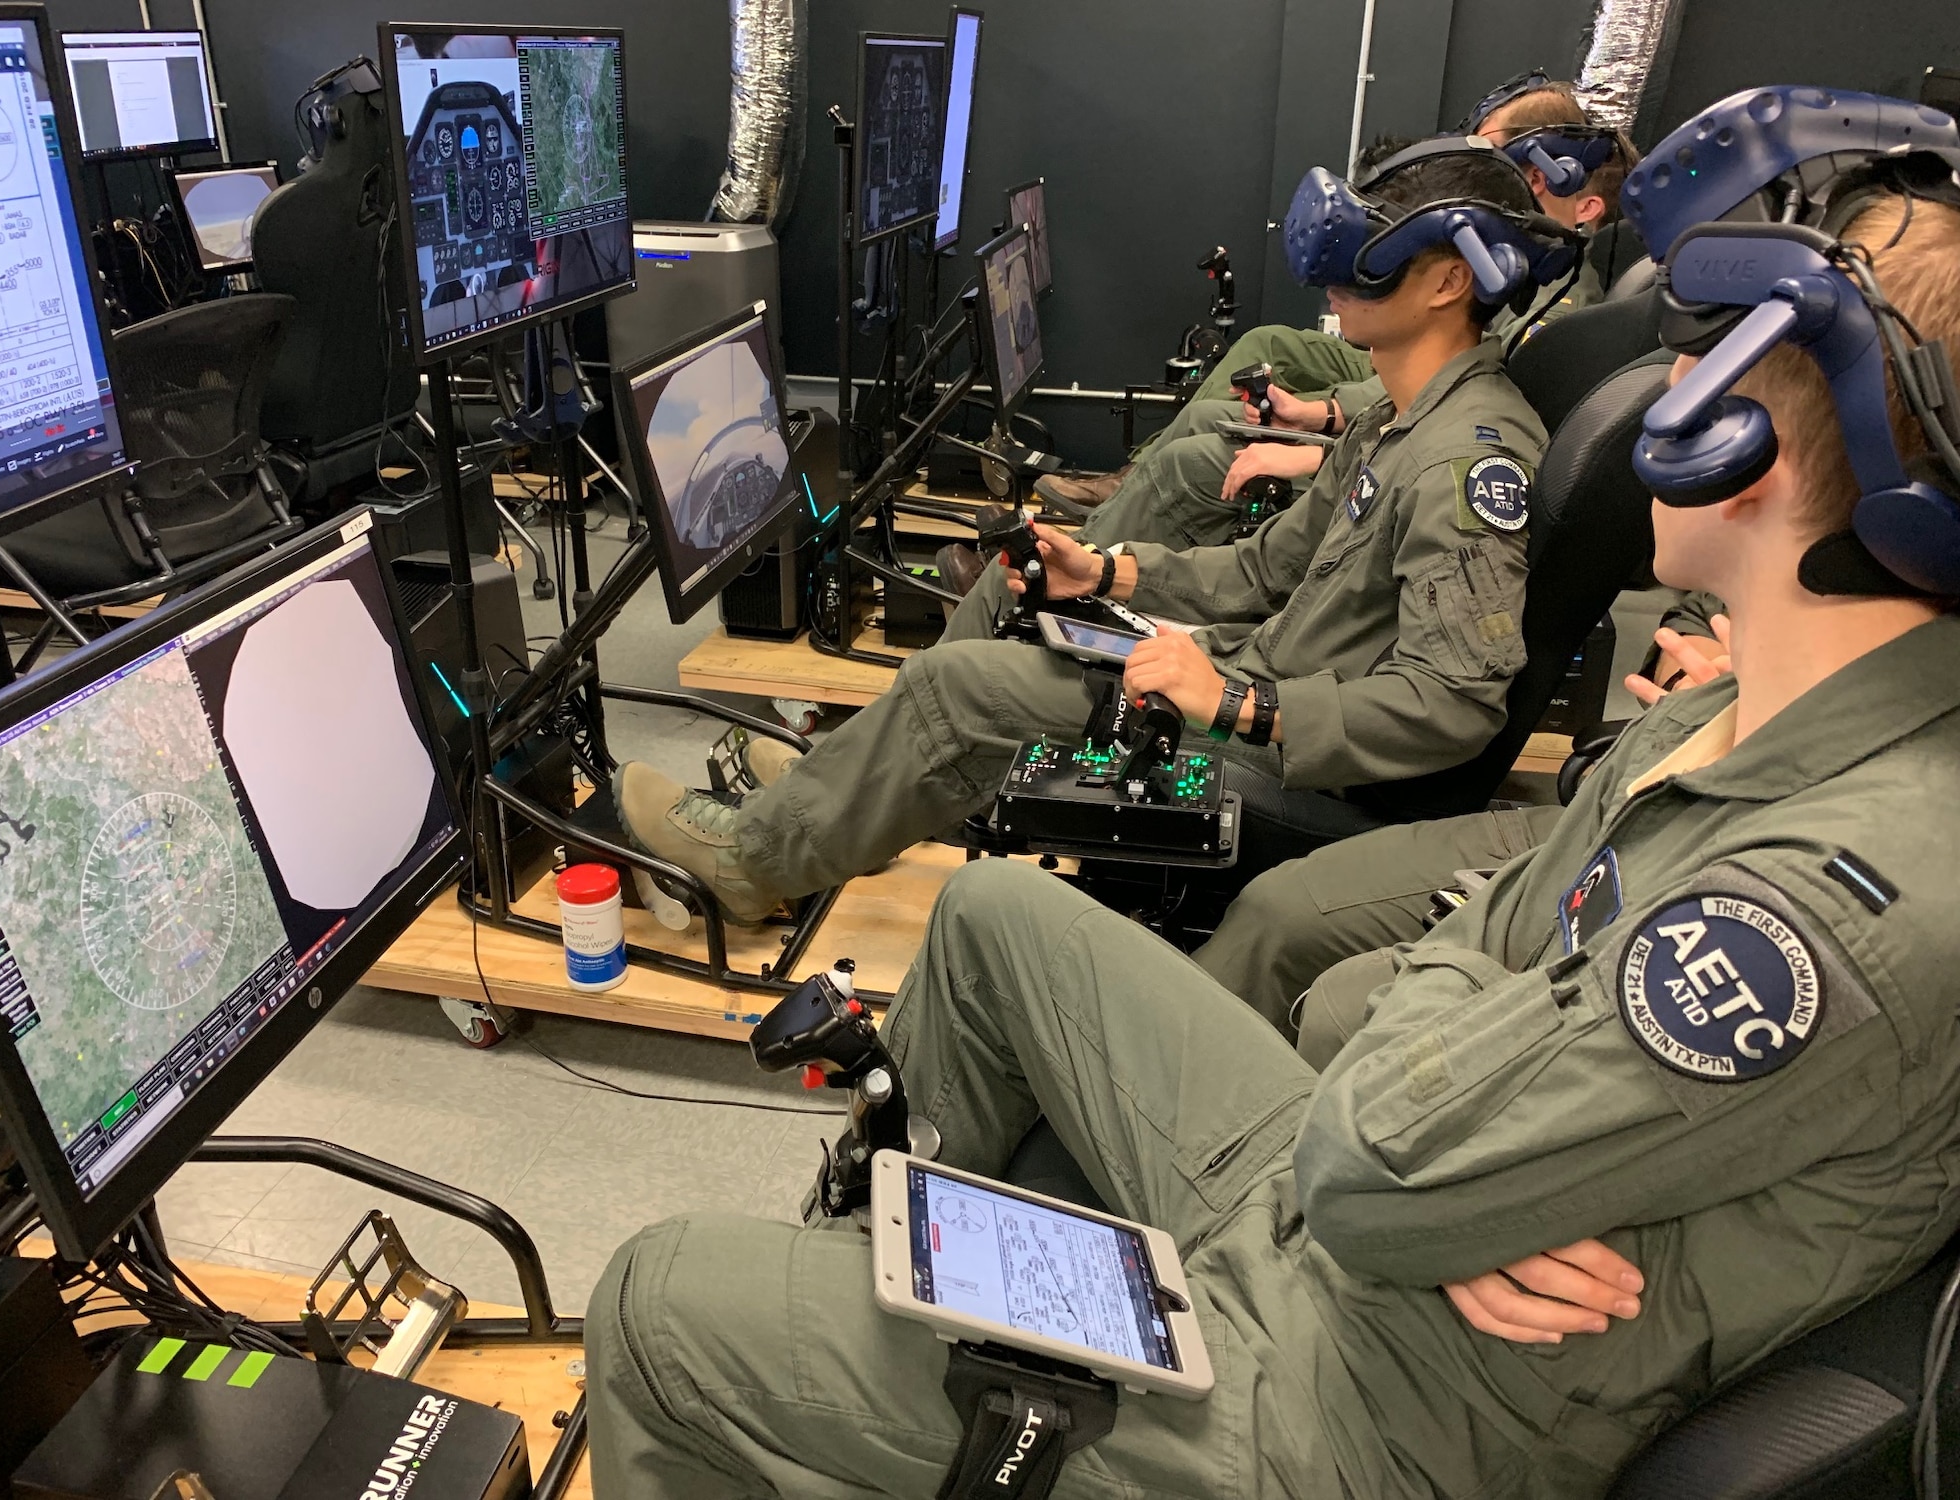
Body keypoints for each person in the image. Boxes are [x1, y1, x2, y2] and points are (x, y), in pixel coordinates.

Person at [584, 98, 1960, 1499]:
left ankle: (812, 1365)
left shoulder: (1820, 910)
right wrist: (1458, 1098)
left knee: (655, 1300)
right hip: (1352, 1237)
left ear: (1767, 447)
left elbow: (1380, 1150)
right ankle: (855, 1351)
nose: (1672, 393)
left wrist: (1438, 1111)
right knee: (996, 915)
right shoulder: (1736, 718)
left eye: (1710, 362)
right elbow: (1475, 942)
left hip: (1354, 1404)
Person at [616, 142, 1549, 926]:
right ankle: (832, 793)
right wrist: (1105, 569)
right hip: (1247, 672)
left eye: (1373, 255)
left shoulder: (1467, 465)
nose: (1342, 280)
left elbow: (1454, 706)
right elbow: (1269, 565)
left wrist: (1241, 707)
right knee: (1009, 596)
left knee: (953, 691)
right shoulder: (1400, 418)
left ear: (1449, 281)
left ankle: (750, 865)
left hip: (1276, 748)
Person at [1046, 75, 1632, 552]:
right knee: (1254, 366)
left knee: (1193, 460)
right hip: (1387, 427)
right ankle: (1102, 534)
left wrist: (1323, 424)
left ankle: (1082, 560)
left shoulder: (1537, 328)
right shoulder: (1469, 343)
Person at [1195, 591, 1728, 1052]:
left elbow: (1451, 705)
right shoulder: (1786, 562)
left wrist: (1246, 706)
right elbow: (1697, 614)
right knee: (1282, 912)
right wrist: (1698, 687)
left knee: (1342, 1003)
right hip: (1609, 807)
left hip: (1677, 849)